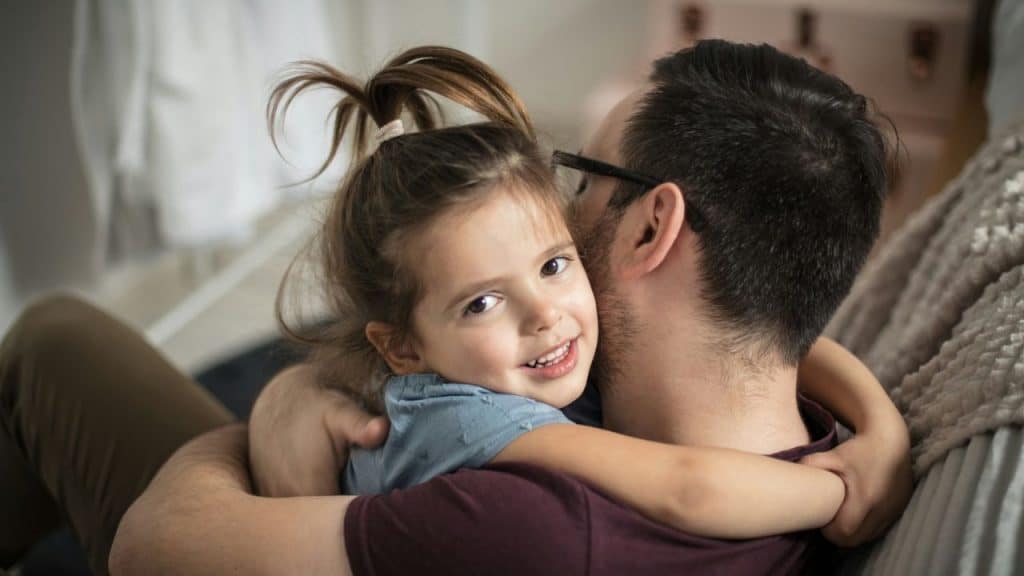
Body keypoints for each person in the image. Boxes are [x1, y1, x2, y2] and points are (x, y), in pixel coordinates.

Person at [0, 40, 910, 576]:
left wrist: (259, 426)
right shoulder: (811, 423)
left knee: (52, 337)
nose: (564, 207)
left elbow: (158, 546)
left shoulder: (549, 521)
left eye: (583, 181)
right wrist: (881, 428)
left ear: (648, 230)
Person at [261, 47, 869, 540]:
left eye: (554, 263)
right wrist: (844, 483)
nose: (547, 315)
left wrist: (879, 427)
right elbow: (689, 488)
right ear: (402, 348)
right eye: (482, 302)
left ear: (651, 227)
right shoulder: (473, 424)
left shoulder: (550, 493)